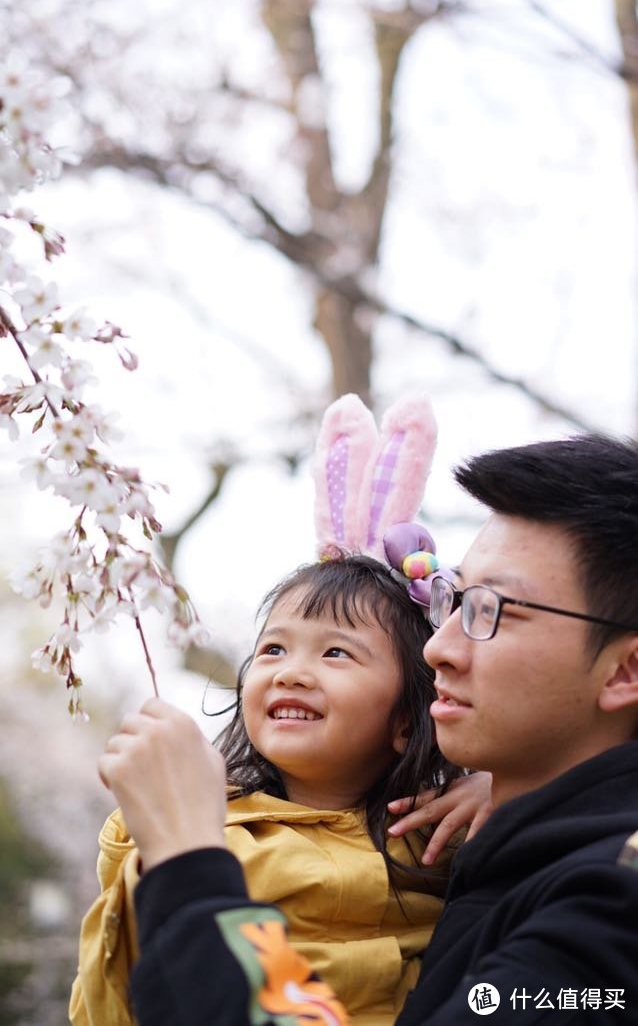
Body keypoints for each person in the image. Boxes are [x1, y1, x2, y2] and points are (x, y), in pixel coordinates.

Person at [99, 432, 638, 1025]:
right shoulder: (490, 851)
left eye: (493, 611)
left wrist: (187, 864)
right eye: (452, 603)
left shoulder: (610, 914)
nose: (439, 647)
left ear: (625, 670)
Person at [70, 394, 491, 1026]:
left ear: (409, 718)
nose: (292, 670)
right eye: (272, 648)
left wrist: (499, 786)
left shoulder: (433, 841)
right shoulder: (201, 823)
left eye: (337, 654)